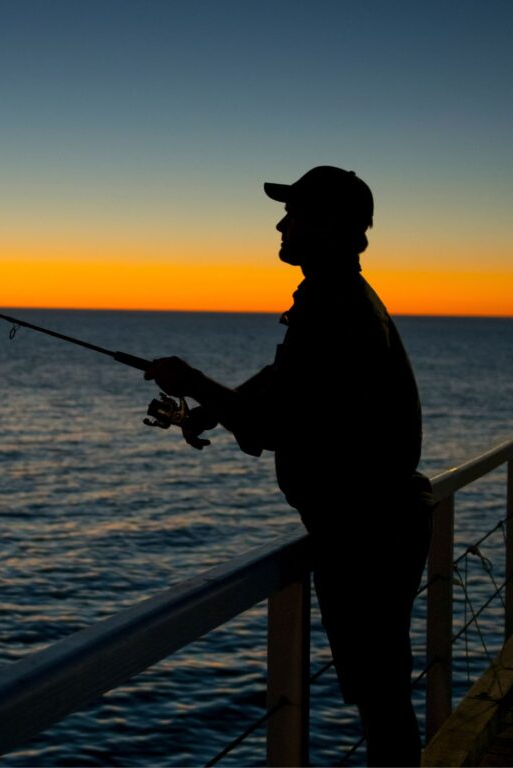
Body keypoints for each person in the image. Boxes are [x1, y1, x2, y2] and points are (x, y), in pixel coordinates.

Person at [144, 166, 434, 766]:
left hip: (367, 538)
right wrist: (217, 412)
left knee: (381, 704)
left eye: (293, 213)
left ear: (328, 226)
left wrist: (194, 381)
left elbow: (282, 423)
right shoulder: (337, 295)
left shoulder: (335, 307)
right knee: (383, 698)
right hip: (376, 527)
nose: (281, 223)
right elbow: (287, 380)